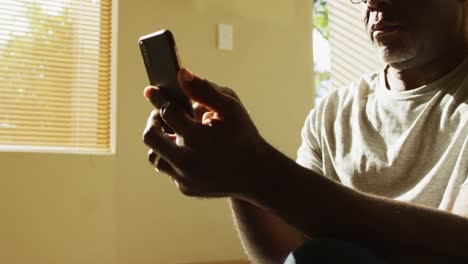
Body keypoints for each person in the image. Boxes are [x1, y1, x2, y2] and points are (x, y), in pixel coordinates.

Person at [142, 0, 468, 263]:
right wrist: (240, 183)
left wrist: (257, 172)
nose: (372, 1)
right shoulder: (333, 112)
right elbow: (287, 253)